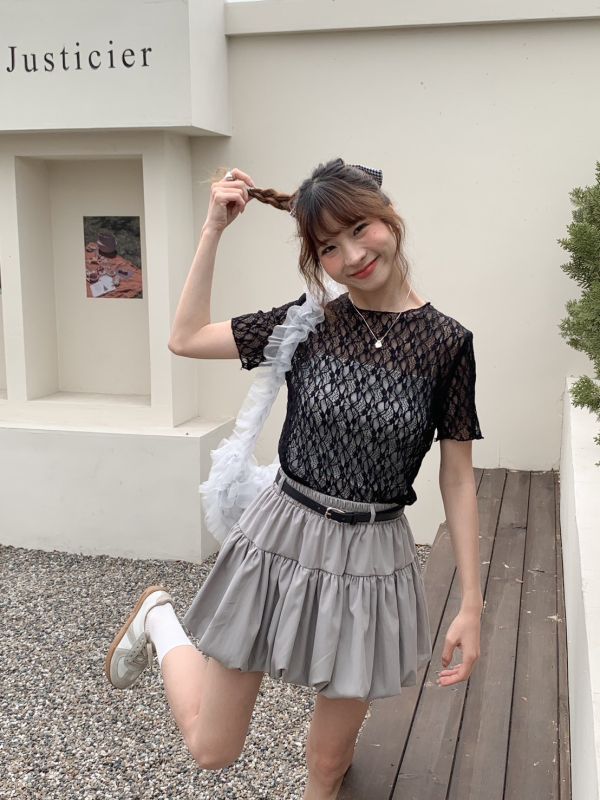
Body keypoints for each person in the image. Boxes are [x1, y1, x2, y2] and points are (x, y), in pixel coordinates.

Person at [104, 157, 484, 800]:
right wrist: (213, 229)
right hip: (281, 537)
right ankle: (160, 618)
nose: (352, 256)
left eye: (360, 230)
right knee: (213, 749)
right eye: (328, 247)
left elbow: (458, 477)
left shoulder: (448, 344)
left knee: (327, 766)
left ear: (390, 218)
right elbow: (186, 337)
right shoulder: (308, 323)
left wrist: (471, 604)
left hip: (373, 557)